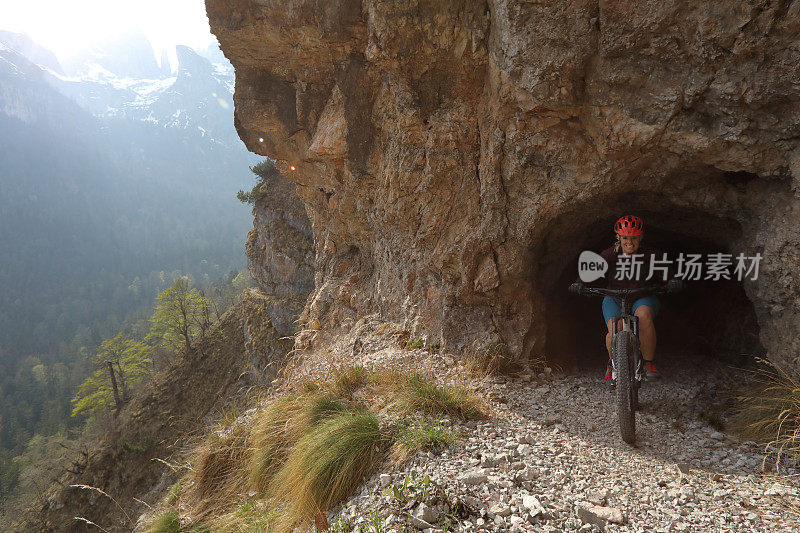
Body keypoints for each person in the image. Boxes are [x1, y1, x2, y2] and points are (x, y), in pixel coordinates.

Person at [591, 215, 664, 385]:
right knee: (613, 328)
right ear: (619, 238)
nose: (629, 242)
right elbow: (592, 273)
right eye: (625, 238)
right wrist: (580, 283)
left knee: (644, 316)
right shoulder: (609, 254)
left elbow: (665, 274)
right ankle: (613, 365)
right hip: (615, 297)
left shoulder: (652, 254)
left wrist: (672, 282)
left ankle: (648, 364)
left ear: (640, 238)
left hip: (643, 295)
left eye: (634, 238)